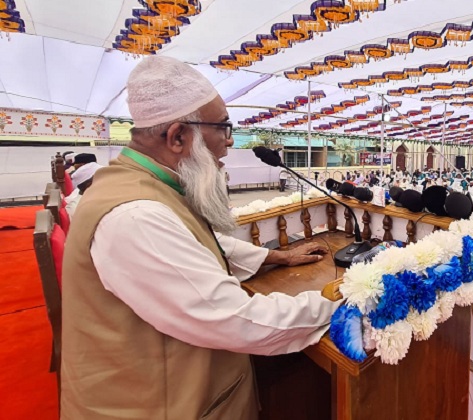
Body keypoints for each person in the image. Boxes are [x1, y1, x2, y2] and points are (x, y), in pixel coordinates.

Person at [60, 57, 340, 418]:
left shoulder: (150, 185)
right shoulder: (135, 216)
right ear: (178, 136)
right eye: (223, 128)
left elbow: (190, 241)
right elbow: (236, 320)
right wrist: (338, 304)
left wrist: (277, 257)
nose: (229, 142)